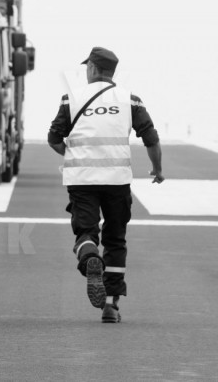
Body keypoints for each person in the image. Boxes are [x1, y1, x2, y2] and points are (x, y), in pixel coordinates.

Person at [48, 46, 163, 323]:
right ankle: (111, 305)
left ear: (93, 69)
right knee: (115, 239)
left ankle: (89, 257)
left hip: (82, 180)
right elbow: (151, 138)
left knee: (85, 232)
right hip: (117, 181)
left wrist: (74, 155)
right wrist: (157, 169)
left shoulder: (71, 98)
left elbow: (53, 138)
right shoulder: (130, 100)